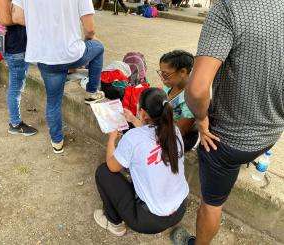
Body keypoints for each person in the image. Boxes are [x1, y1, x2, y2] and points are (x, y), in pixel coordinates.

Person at [171, 0, 284, 244]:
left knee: (212, 204)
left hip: (224, 142)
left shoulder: (230, 7)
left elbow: (198, 89)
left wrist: (201, 119)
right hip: (270, 137)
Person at [10, 0, 105, 153]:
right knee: (98, 48)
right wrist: (85, 41)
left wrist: (43, 25)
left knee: (53, 101)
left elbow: (17, 17)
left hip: (44, 55)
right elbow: (90, 30)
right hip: (71, 54)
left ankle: (57, 142)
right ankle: (92, 92)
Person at [94, 88, 189, 236]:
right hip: (180, 209)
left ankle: (114, 223)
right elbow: (150, 133)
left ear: (143, 113)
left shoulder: (133, 138)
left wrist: (112, 138)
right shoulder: (173, 131)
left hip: (149, 221)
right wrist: (132, 119)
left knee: (103, 172)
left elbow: (112, 166)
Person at [0, 0, 38, 137]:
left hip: (15, 44)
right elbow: (5, 19)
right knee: (16, 87)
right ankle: (15, 124)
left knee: (16, 85)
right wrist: (36, 19)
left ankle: (15, 122)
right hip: (15, 47)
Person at [158, 50, 198, 152]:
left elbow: (180, 130)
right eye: (160, 73)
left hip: (181, 137)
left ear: (183, 72)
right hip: (166, 127)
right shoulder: (170, 86)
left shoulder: (191, 97)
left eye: (166, 74)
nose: (162, 78)